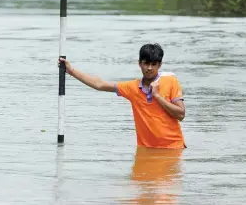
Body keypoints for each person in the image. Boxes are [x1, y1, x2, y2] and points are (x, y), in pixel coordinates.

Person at [58, 43, 186, 149]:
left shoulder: (170, 81)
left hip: (174, 148)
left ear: (160, 65)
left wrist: (157, 96)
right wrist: (71, 71)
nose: (149, 68)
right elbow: (100, 84)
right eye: (146, 63)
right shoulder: (132, 87)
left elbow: (180, 114)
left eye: (153, 64)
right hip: (147, 150)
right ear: (140, 64)